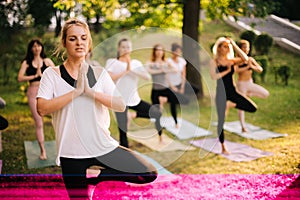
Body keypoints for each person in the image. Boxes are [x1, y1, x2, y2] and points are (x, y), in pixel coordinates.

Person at [37, 18, 157, 199]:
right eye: (73, 39)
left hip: (102, 146)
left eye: (84, 38)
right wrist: (76, 93)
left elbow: (120, 104)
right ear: (64, 42)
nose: (79, 43)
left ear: (89, 42)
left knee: (148, 172)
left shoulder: (100, 73)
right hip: (71, 152)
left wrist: (91, 93)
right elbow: (42, 108)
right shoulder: (52, 74)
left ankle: (95, 180)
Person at [105, 38, 163, 146]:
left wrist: (131, 69)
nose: (126, 49)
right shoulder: (112, 62)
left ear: (131, 49)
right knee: (123, 131)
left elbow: (147, 77)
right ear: (119, 48)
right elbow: (109, 77)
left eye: (128, 47)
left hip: (134, 100)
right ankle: (125, 155)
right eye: (123, 47)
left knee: (157, 113)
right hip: (119, 101)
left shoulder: (136, 63)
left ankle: (133, 115)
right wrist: (125, 71)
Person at [210, 37, 257, 154]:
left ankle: (231, 104)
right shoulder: (214, 61)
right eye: (224, 46)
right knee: (221, 121)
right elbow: (214, 77)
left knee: (252, 108)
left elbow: (245, 58)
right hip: (221, 93)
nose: (226, 48)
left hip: (232, 92)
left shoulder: (231, 60)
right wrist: (227, 70)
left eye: (227, 46)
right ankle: (223, 147)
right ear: (219, 47)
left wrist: (234, 44)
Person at [17, 38, 55, 160]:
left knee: (57, 120)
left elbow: (57, 73)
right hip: (33, 93)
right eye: (33, 46)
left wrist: (44, 75)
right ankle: (43, 151)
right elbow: (20, 78)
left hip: (47, 93)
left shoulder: (47, 61)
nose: (36, 48)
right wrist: (35, 76)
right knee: (39, 123)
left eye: (38, 46)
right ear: (31, 49)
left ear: (41, 47)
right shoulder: (26, 63)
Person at [146, 44, 188, 129]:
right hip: (156, 90)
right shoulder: (150, 62)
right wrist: (161, 70)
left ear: (163, 52)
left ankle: (175, 122)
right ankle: (160, 135)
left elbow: (175, 70)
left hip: (165, 89)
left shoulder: (166, 62)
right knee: (157, 113)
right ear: (154, 52)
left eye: (161, 50)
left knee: (183, 100)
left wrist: (164, 69)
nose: (159, 52)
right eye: (157, 50)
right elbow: (149, 71)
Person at [235, 40, 269, 132]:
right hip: (241, 85)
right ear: (240, 49)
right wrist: (247, 67)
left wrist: (252, 67)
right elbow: (236, 71)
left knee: (265, 94)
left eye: (248, 47)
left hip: (250, 83)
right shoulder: (236, 60)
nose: (246, 49)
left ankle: (249, 94)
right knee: (241, 106)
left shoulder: (250, 59)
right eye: (244, 47)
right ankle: (243, 127)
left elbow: (260, 69)